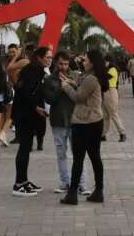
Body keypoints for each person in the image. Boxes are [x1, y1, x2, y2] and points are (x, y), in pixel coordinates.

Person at [59, 49, 110, 205]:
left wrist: (65, 86)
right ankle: (98, 191)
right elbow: (83, 90)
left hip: (84, 122)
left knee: (79, 158)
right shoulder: (92, 77)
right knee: (95, 157)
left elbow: (78, 97)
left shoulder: (91, 78)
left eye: (86, 60)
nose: (83, 61)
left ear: (92, 62)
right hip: (95, 121)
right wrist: (71, 82)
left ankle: (73, 193)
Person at [44, 51, 91, 196]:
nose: (63, 67)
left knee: (78, 153)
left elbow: (82, 97)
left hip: (75, 120)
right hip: (58, 120)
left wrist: (72, 84)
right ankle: (65, 182)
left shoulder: (76, 76)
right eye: (60, 64)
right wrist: (61, 87)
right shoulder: (49, 79)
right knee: (61, 153)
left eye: (66, 64)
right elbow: (49, 100)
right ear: (56, 63)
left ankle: (81, 184)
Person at [12, 46, 51, 197]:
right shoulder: (33, 70)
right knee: (24, 148)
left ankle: (24, 180)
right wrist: (36, 107)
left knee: (26, 148)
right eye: (47, 57)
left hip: (28, 113)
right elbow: (24, 92)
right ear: (40, 57)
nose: (49, 60)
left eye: (50, 57)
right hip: (24, 114)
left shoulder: (35, 69)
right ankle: (18, 184)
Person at [101, 54, 127, 142]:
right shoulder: (107, 69)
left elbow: (105, 77)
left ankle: (122, 133)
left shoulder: (113, 69)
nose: (104, 63)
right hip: (105, 92)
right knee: (105, 115)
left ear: (109, 61)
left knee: (113, 114)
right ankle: (103, 134)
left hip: (110, 92)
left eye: (105, 62)